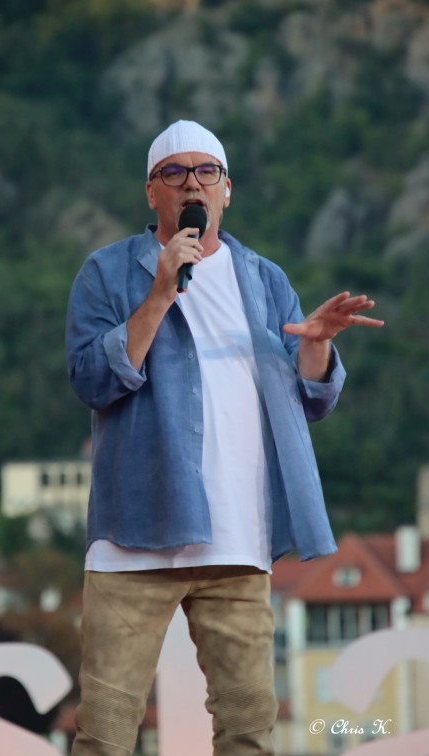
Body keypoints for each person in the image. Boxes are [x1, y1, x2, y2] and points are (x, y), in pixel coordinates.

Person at [65, 120, 384, 756]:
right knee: (105, 735)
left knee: (248, 732)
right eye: (175, 172)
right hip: (136, 537)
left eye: (206, 171)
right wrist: (160, 293)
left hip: (237, 539)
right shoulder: (107, 272)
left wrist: (316, 347)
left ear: (227, 190)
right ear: (151, 191)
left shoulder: (264, 279)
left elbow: (310, 400)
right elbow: (92, 380)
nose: (193, 184)